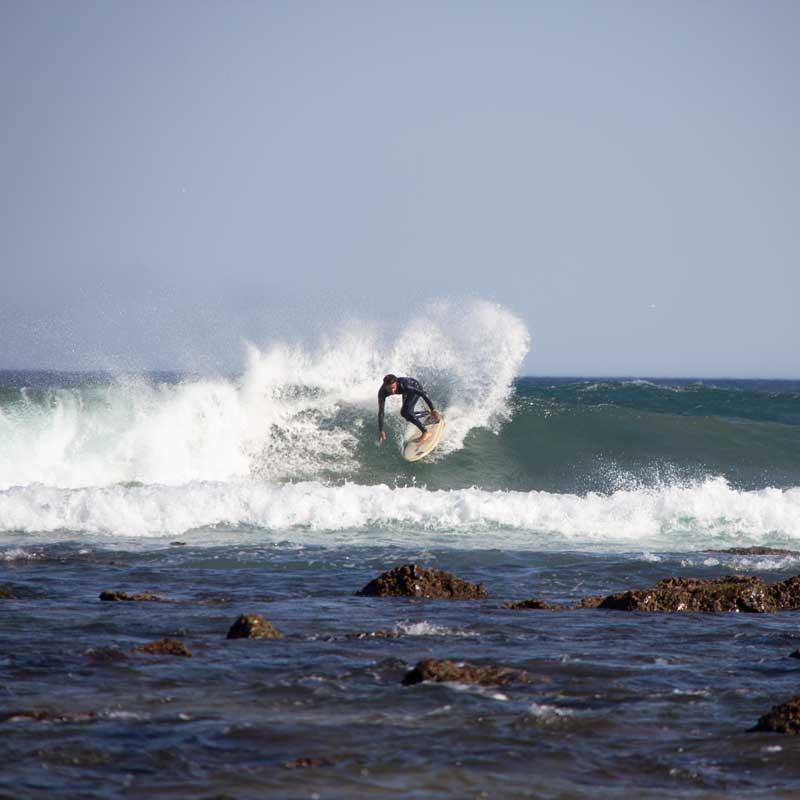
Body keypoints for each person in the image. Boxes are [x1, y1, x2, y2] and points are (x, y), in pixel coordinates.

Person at [377, 374, 441, 445]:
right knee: (407, 415)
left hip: (415, 386)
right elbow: (381, 412)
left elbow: (422, 394)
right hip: (405, 391)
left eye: (393, 387)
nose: (392, 391)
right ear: (385, 386)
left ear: (396, 383)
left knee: (405, 412)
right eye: (389, 388)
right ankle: (427, 413)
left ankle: (426, 432)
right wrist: (381, 430)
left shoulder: (404, 385)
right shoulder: (382, 392)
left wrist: (433, 409)